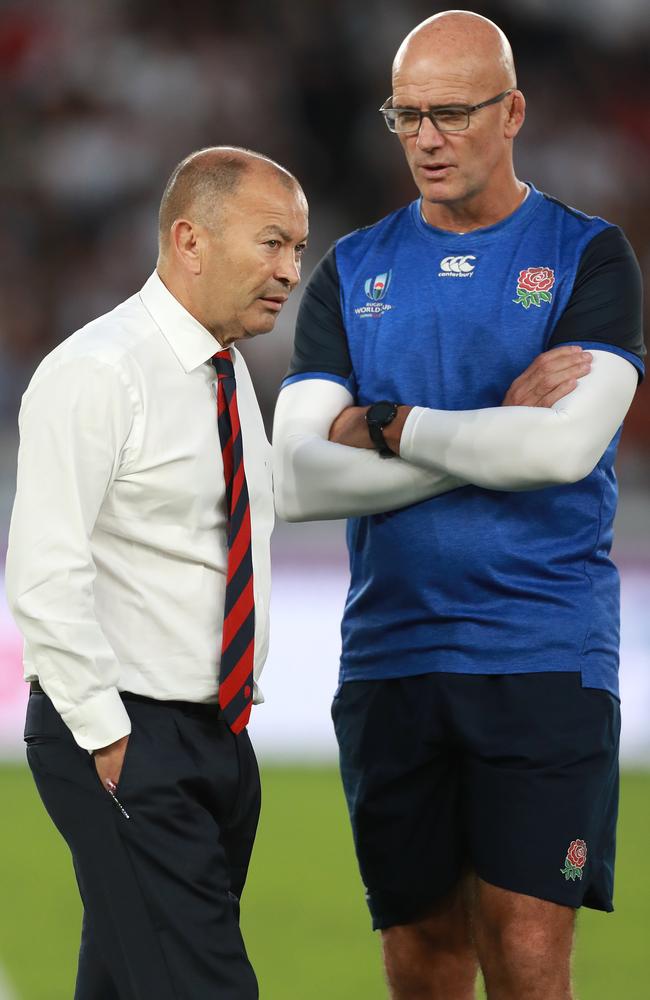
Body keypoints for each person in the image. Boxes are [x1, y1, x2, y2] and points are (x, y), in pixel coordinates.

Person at [272, 11, 644, 1000]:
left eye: (449, 114)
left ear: (511, 110)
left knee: (527, 959)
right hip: (391, 654)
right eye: (406, 117)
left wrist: (385, 421)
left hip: (539, 651)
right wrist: (488, 440)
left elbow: (564, 447)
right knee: (421, 966)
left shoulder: (586, 257)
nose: (425, 139)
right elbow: (298, 475)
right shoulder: (353, 268)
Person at [6, 146, 308, 1000]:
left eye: (298, 247)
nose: (291, 271)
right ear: (190, 239)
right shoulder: (98, 370)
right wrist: (107, 735)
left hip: (217, 737)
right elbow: (43, 569)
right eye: (273, 243)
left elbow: (244, 524)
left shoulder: (230, 375)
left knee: (129, 977)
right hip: (128, 734)